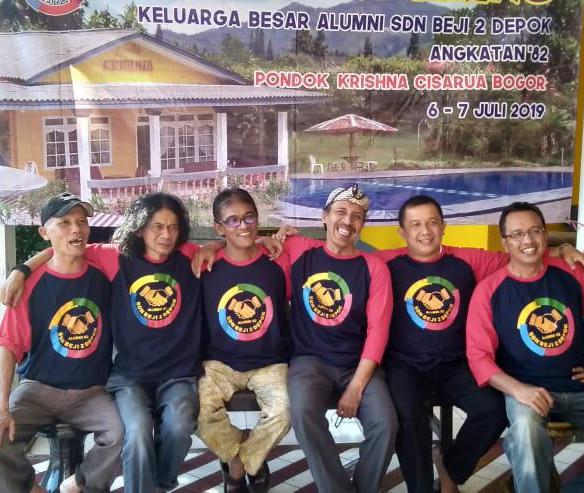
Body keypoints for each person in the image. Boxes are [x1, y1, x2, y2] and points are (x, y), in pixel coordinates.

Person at [2, 193, 213, 493]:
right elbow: (62, 250)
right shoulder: (115, 259)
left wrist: (216, 246)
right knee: (135, 431)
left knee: (167, 427)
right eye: (156, 226)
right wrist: (22, 270)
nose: (166, 234)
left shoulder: (184, 257)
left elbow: (225, 247)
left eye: (173, 227)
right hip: (98, 380)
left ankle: (152, 484)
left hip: (144, 380)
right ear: (139, 228)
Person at [0, 192, 123, 493]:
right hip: (38, 389)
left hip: (91, 392)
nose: (76, 229)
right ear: (44, 232)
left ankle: (79, 483)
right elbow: (8, 345)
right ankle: (29, 488)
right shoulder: (29, 285)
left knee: (121, 433)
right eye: (65, 223)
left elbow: (154, 251)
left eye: (81, 222)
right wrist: (1, 405)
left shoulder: (104, 270)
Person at [279, 184, 396, 493]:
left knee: (385, 423)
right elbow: (255, 247)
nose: (347, 221)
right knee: (302, 411)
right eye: (341, 212)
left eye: (357, 216)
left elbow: (378, 331)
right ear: (324, 217)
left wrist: (356, 388)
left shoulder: (373, 267)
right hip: (309, 361)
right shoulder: (300, 250)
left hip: (359, 364)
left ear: (363, 224)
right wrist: (273, 237)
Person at [467, 202, 584, 493]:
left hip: (578, 387)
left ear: (545, 235)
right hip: (527, 390)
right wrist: (518, 390)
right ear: (505, 243)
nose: (528, 240)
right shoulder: (489, 290)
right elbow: (478, 356)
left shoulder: (573, 273)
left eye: (535, 231)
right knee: (524, 430)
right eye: (517, 234)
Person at [196, 188, 291, 493]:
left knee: (285, 410)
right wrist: (210, 246)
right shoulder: (205, 266)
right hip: (219, 364)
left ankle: (240, 465)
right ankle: (247, 461)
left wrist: (271, 238)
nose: (243, 225)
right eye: (233, 220)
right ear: (219, 227)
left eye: (249, 217)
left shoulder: (277, 261)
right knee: (197, 410)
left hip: (269, 363)